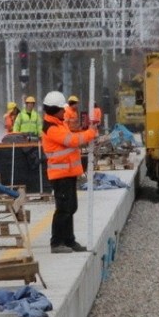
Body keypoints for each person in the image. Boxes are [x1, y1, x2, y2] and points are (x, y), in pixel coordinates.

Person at [41, 91, 98, 254]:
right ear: (54, 110)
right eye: (62, 109)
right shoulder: (51, 128)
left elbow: (72, 134)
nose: (65, 112)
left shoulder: (58, 123)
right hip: (60, 175)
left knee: (71, 207)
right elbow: (72, 140)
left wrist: (87, 129)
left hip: (68, 173)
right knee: (63, 209)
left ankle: (69, 240)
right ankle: (57, 242)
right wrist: (90, 133)